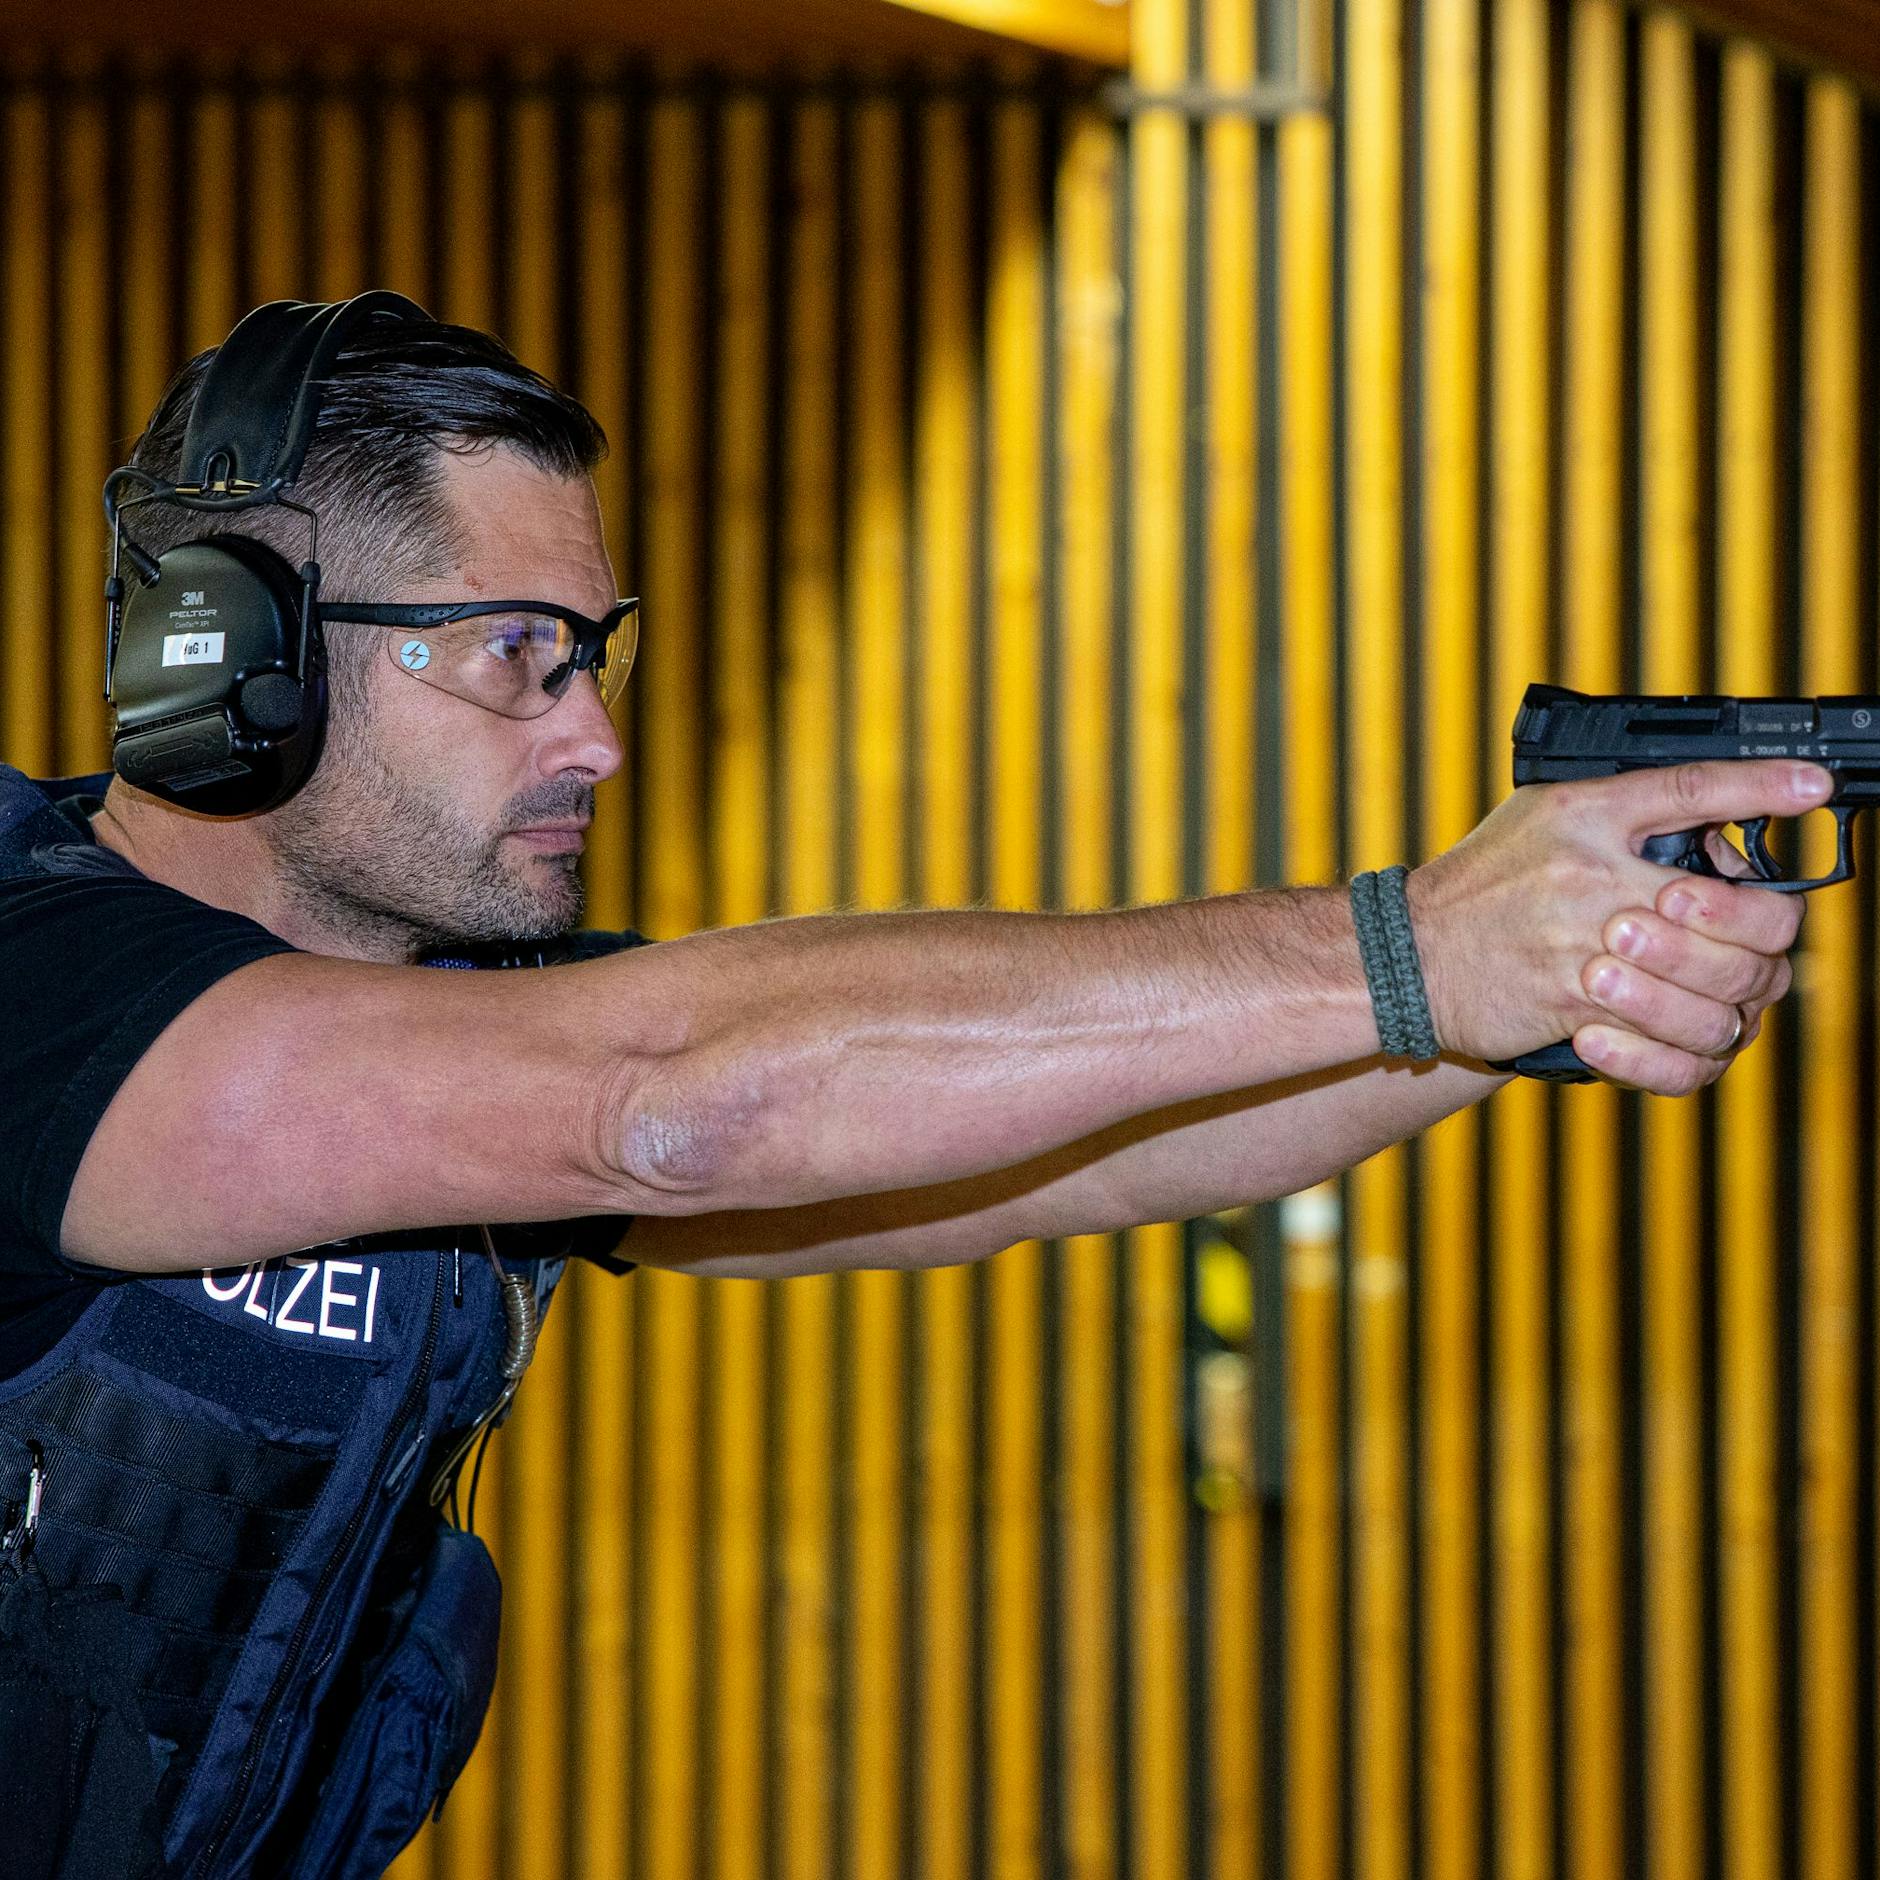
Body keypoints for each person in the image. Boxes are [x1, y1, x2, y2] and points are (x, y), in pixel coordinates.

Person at [0, 300, 1821, 1879]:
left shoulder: (465, 1027)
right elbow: (674, 1098)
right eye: (516, 656)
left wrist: (1517, 997)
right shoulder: (37, 980)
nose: (598, 735)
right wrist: (1413, 938)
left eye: (596, 651)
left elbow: (1059, 1154)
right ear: (235, 656)